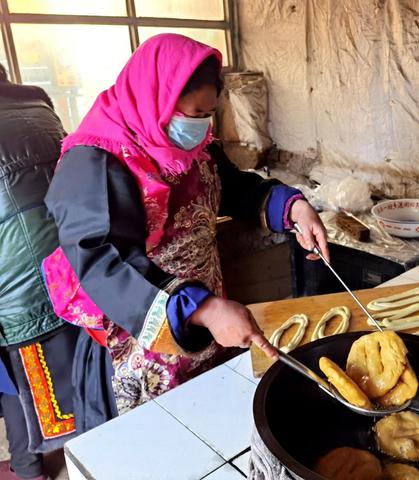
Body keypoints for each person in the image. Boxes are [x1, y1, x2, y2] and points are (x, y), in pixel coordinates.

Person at [42, 34, 329, 413]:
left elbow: (233, 187)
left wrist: (292, 208)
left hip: (207, 313)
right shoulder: (94, 162)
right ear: (155, 98)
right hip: (142, 331)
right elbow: (103, 262)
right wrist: (202, 309)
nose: (201, 127)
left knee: (212, 415)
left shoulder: (195, 146)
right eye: (192, 115)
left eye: (208, 114)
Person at [0, 63, 80, 480]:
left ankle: (31, 470)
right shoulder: (35, 98)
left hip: (19, 298)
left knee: (22, 396)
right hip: (72, 272)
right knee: (82, 389)